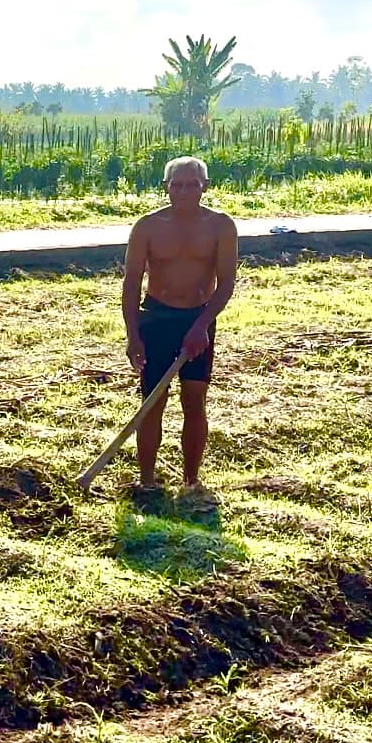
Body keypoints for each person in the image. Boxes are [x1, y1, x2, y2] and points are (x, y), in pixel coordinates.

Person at [121, 155, 237, 495]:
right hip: (157, 318)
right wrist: (133, 335)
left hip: (198, 317)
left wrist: (201, 326)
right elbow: (131, 283)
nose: (184, 191)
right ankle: (147, 481)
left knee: (194, 398)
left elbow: (226, 284)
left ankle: (191, 482)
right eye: (177, 185)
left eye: (191, 185)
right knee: (152, 401)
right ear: (166, 187)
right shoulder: (147, 226)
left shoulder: (220, 226)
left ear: (205, 187)